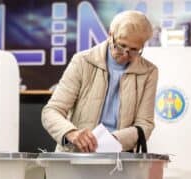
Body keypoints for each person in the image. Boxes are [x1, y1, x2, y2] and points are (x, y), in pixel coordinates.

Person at [41, 10, 158, 153]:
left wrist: (111, 140)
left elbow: (145, 124)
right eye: (121, 46)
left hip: (118, 159)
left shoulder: (148, 72)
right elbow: (51, 111)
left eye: (134, 50)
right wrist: (71, 133)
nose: (126, 54)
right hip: (75, 156)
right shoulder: (82, 61)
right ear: (110, 35)